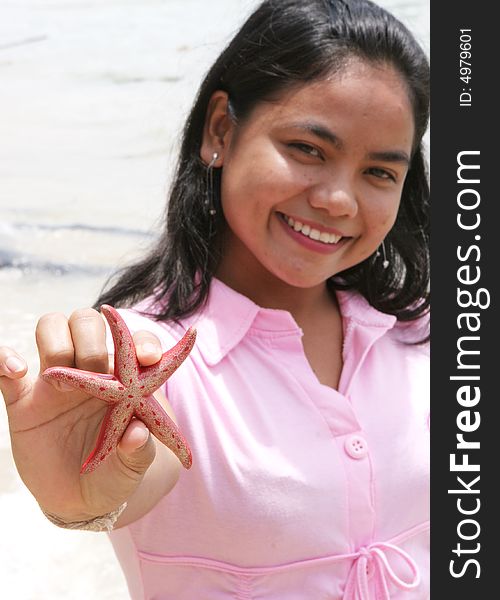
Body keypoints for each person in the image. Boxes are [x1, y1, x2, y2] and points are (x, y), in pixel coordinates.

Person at [0, 0, 430, 597]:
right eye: (309, 148)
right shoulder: (147, 359)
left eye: (379, 172)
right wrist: (75, 499)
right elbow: (130, 478)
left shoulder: (419, 329)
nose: (338, 200)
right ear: (221, 130)